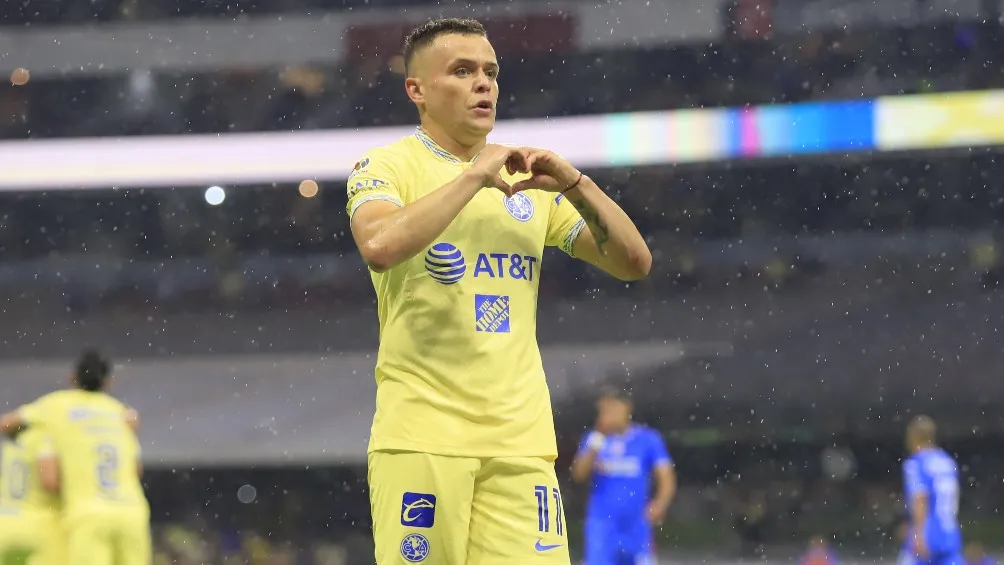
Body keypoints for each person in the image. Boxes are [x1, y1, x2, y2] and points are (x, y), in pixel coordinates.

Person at [345, 17, 652, 565]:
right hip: (424, 435)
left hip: (521, 442)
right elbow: (379, 242)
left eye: (490, 72)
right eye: (462, 71)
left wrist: (577, 185)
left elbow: (633, 262)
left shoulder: (528, 182)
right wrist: (471, 177)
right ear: (416, 89)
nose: (483, 84)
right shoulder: (386, 165)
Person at [0, 349, 150, 565]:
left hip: (87, 513)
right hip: (133, 513)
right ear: (109, 383)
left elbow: (7, 424)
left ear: (72, 378)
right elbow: (136, 470)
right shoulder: (120, 414)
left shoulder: (57, 405)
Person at [570, 389, 676, 565]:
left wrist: (660, 503)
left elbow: (666, 476)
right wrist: (598, 439)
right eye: (604, 410)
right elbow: (579, 474)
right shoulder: (593, 439)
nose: (608, 414)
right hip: (602, 524)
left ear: (627, 408)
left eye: (612, 409)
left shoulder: (647, 439)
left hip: (636, 522)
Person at [901, 416, 963, 565]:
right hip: (949, 531)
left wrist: (918, 532)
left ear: (913, 436)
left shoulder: (916, 463)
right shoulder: (947, 461)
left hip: (928, 534)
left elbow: (920, 497)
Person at [0, 428, 63, 565]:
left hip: (4, 524)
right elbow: (50, 482)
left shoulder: (11, 445)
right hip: (39, 525)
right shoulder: (46, 439)